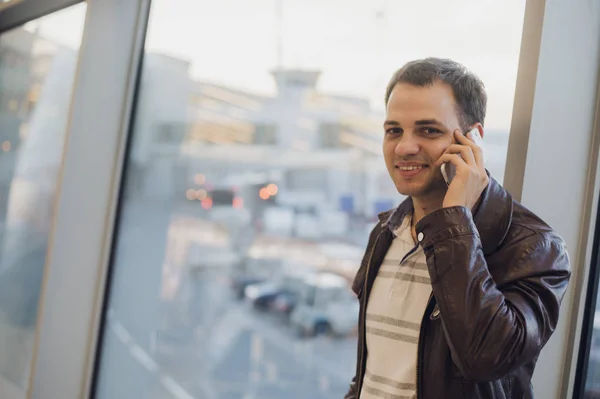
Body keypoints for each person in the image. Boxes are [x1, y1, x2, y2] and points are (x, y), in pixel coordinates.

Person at [345, 58, 571, 399]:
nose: (404, 146)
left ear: (472, 140)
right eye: (394, 130)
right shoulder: (386, 232)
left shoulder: (534, 247)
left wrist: (454, 222)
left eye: (428, 130)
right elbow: (374, 373)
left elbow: (485, 359)